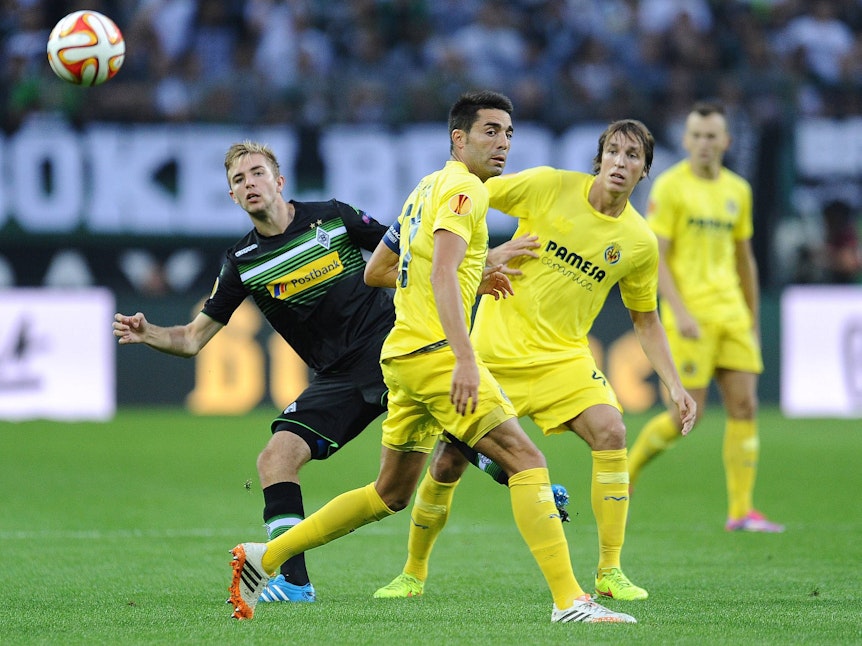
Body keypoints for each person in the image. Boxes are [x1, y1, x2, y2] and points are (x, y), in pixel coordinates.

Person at [226, 90, 637, 624]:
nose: (503, 143)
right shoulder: (466, 192)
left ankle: (266, 557)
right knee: (526, 460)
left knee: (390, 493)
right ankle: (571, 603)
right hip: (437, 355)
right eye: (490, 131)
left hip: (400, 357)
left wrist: (474, 276)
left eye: (508, 133)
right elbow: (442, 270)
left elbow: (379, 271)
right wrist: (465, 356)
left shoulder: (426, 188)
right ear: (458, 138)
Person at [112, 139, 541, 606]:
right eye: (238, 180)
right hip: (336, 378)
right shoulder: (242, 263)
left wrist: (479, 265)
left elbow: (406, 258)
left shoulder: (332, 216)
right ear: (232, 197)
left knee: (438, 431)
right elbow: (193, 339)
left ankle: (520, 473)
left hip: (390, 344)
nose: (249, 183)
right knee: (276, 458)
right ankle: (295, 582)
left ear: (279, 182)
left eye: (257, 173)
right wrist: (150, 331)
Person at [368, 118, 696, 603]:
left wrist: (674, 384)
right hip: (493, 355)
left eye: (633, 157)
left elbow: (645, 319)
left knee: (612, 431)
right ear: (599, 157)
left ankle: (610, 570)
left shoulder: (639, 243)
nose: (620, 164)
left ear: (645, 171)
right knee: (448, 461)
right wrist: (474, 252)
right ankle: (413, 573)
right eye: (613, 152)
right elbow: (470, 196)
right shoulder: (547, 186)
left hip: (563, 360)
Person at [627, 101, 784, 533]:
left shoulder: (738, 190)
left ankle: (741, 511)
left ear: (726, 142)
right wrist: (678, 310)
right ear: (685, 140)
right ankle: (628, 469)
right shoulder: (670, 187)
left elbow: (744, 258)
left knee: (745, 406)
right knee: (684, 418)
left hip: (730, 311)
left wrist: (751, 317)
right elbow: (657, 254)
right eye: (696, 135)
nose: (703, 143)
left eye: (712, 136)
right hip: (689, 315)